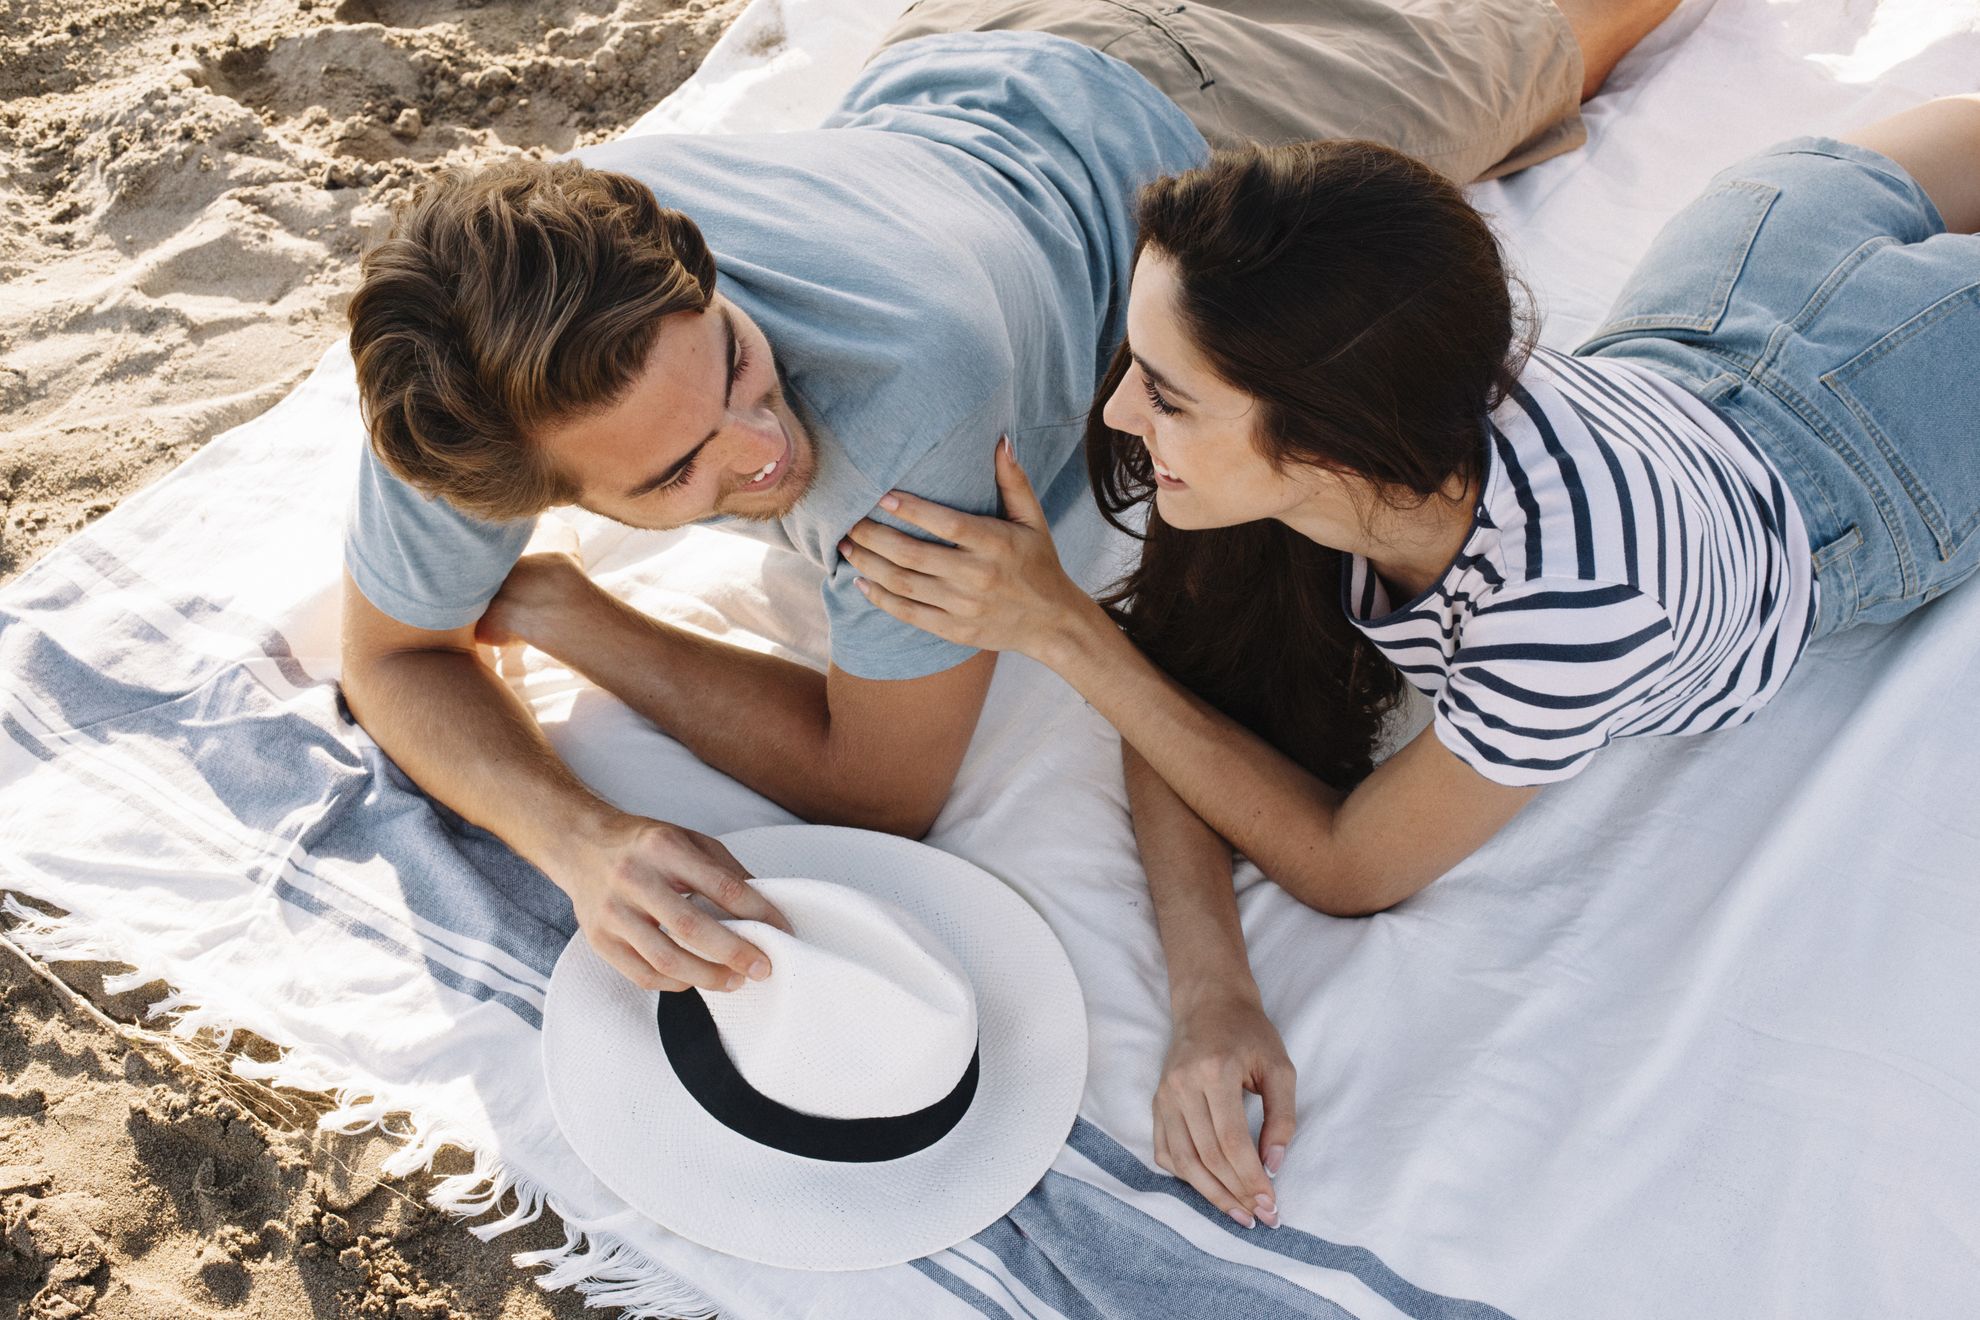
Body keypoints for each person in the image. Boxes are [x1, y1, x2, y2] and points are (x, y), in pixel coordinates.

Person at [341, 1, 1679, 1001]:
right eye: (676, 472)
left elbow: (876, 796)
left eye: (736, 360)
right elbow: (391, 658)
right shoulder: (475, 359)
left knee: (1560, 37)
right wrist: (580, 840)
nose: (767, 449)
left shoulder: (901, 399)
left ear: (686, 264)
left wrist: (570, 615)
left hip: (1208, 140)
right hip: (976, 51)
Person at [838, 97, 1980, 1228]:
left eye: (1169, 394)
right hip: (1711, 300)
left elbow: (1351, 866)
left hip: (1877, 452)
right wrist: (1212, 993)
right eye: (1141, 365)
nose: (1127, 410)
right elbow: (1178, 706)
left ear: (1329, 439)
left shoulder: (1575, 607)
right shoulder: (1324, 442)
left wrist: (1061, 629)